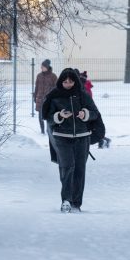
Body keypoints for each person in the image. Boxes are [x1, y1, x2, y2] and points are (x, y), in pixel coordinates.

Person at [41, 68, 100, 213]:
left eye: (71, 81)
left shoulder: (83, 95)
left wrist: (85, 114)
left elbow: (95, 113)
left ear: (75, 81)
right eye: (65, 81)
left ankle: (76, 203)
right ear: (61, 81)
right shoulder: (54, 96)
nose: (68, 84)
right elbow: (47, 116)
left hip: (82, 137)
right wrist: (59, 116)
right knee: (67, 167)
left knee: (79, 170)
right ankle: (66, 201)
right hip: (62, 137)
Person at [80, 70, 111, 149]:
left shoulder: (84, 88)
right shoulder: (85, 86)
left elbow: (87, 99)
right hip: (87, 111)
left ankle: (103, 141)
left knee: (90, 130)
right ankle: (104, 140)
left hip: (87, 112)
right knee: (90, 129)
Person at [33, 59, 57, 134]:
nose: (41, 68)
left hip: (48, 99)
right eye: (41, 66)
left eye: (43, 66)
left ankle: (48, 130)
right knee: (40, 117)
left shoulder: (53, 76)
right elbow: (36, 86)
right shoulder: (39, 76)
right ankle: (42, 130)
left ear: (47, 67)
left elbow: (56, 87)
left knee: (48, 116)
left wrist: (51, 94)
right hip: (40, 99)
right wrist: (35, 96)